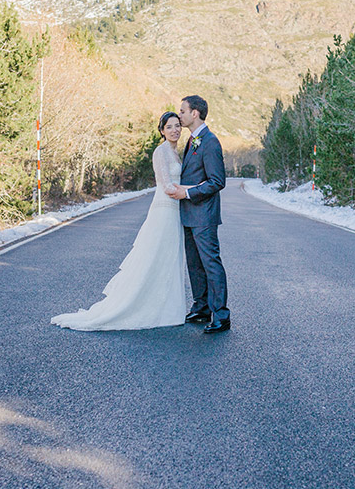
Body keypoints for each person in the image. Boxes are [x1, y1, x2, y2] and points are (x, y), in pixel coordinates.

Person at [51, 112, 188, 331]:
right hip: (163, 211)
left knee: (169, 258)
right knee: (153, 257)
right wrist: (195, 190)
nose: (175, 130)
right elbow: (167, 186)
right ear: (162, 131)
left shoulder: (176, 153)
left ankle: (166, 308)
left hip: (175, 213)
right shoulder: (161, 152)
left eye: (177, 126)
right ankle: (136, 305)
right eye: (169, 127)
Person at [171, 95, 230, 333]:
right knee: (194, 265)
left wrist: (188, 194)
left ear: (195, 113)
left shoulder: (210, 141)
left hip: (204, 215)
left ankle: (221, 316)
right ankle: (202, 307)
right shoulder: (192, 140)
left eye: (183, 111)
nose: (180, 114)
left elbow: (217, 181)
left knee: (211, 264)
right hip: (188, 214)